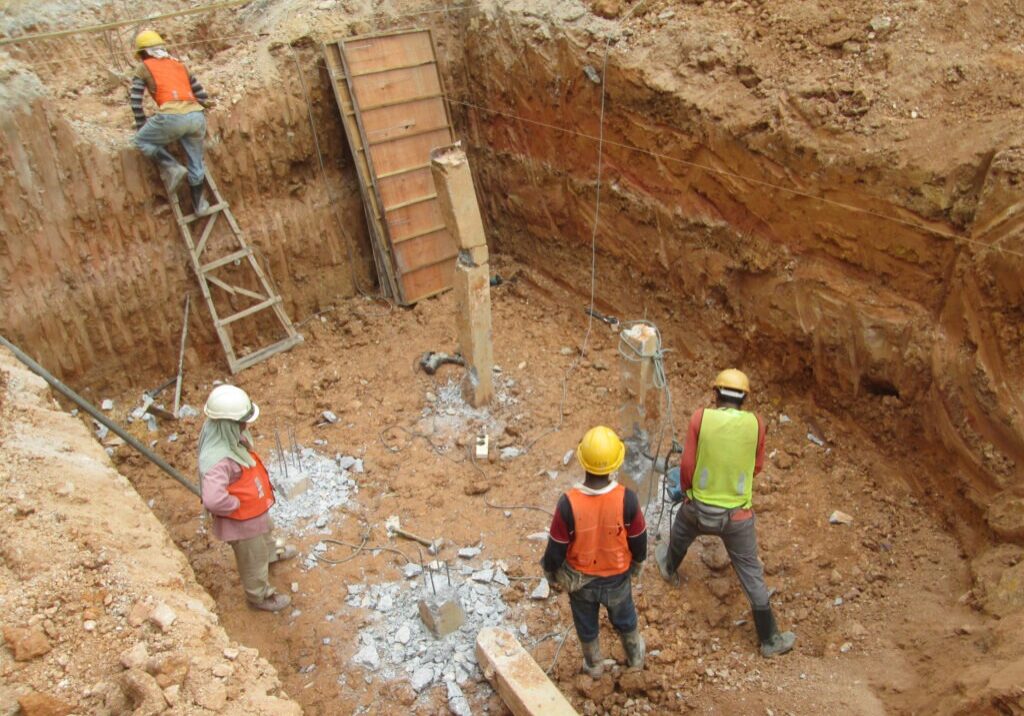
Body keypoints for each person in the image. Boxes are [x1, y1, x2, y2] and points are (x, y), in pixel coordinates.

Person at [655, 369, 796, 657]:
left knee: (680, 535)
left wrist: (686, 492)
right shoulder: (757, 424)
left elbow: (687, 466)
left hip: (697, 510)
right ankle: (770, 639)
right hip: (737, 519)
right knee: (751, 573)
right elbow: (756, 466)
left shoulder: (700, 418)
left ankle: (669, 567)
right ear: (745, 397)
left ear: (715, 394)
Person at [541, 426, 648, 678]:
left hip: (582, 582)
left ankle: (594, 666)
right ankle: (635, 658)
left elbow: (556, 547)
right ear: (615, 465)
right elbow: (639, 539)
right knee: (625, 619)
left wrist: (550, 571)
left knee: (586, 625)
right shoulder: (628, 499)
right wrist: (639, 562)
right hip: (617, 577)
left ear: (583, 462)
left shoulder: (568, 503)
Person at [198, 384, 296, 612]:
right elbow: (213, 499)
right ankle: (259, 596)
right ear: (227, 424)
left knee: (266, 535)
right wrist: (235, 504)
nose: (247, 425)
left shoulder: (230, 438)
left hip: (255, 514)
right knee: (253, 560)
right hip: (242, 524)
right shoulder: (218, 460)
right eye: (242, 422)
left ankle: (272, 554)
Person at [130, 29, 212, 216]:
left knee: (141, 141)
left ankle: (172, 167)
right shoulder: (179, 65)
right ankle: (199, 206)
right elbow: (201, 94)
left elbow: (135, 101)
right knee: (196, 162)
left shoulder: (144, 68)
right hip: (196, 116)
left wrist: (142, 124)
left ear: (143, 53)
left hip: (172, 116)